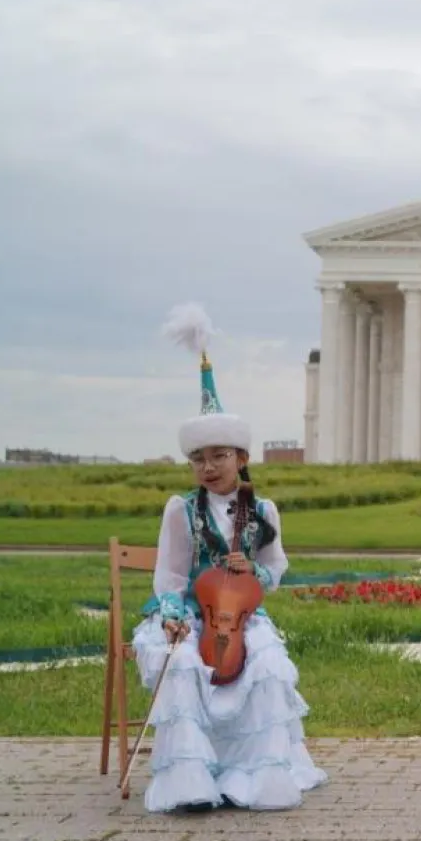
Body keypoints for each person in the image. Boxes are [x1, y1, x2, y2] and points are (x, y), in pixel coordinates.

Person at [130, 303, 327, 813]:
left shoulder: (261, 510)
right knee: (181, 662)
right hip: (190, 614)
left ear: (242, 458)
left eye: (220, 456)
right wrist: (172, 616)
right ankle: (190, 779)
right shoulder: (180, 509)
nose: (208, 467)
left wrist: (254, 572)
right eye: (199, 458)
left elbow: (276, 571)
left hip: (240, 614)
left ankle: (254, 776)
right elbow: (170, 575)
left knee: (266, 663)